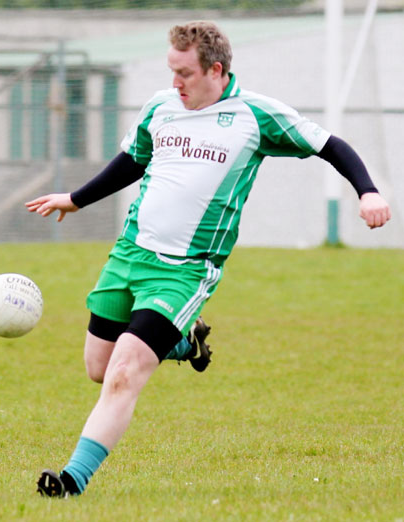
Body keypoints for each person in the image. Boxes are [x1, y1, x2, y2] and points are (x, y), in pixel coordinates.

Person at [26, 21, 391, 498]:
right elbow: (134, 159)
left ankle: (72, 481)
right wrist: (76, 198)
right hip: (130, 253)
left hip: (186, 270)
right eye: (171, 71)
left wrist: (367, 191)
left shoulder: (255, 115)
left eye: (184, 74)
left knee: (122, 374)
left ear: (215, 70)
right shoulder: (161, 106)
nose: (174, 83)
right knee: (98, 365)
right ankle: (183, 342)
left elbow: (329, 145)